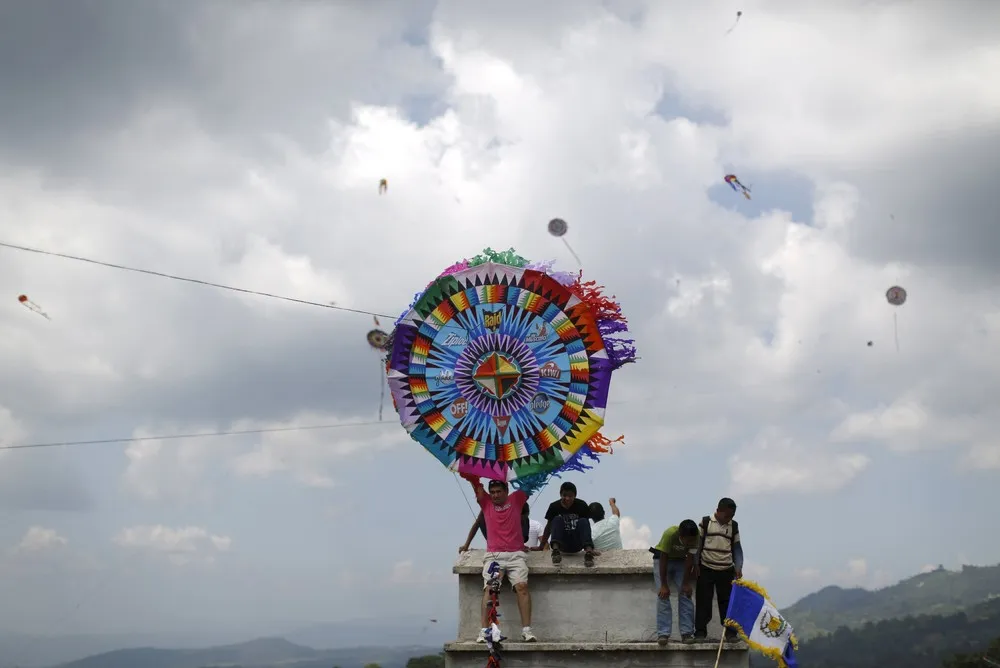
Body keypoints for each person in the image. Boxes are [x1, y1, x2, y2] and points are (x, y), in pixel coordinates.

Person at [463, 475, 537, 643]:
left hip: (516, 555)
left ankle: (527, 630)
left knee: (522, 587)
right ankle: (484, 631)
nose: (495, 495)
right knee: (490, 589)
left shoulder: (516, 499)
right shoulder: (486, 502)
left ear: (506, 491)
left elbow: (531, 481)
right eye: (492, 492)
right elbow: (475, 483)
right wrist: (470, 474)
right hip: (494, 556)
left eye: (498, 491)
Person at [693, 498, 743, 642]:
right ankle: (700, 632)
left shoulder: (733, 526)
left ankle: (731, 633)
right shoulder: (705, 522)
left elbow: (737, 549)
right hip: (706, 568)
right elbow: (697, 546)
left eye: (732, 516)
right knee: (703, 601)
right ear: (718, 511)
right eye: (727, 515)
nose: (729, 518)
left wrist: (738, 567)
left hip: (726, 570)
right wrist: (696, 565)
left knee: (728, 603)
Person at [650, 519, 700, 644]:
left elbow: (689, 559)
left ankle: (687, 633)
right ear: (681, 536)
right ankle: (663, 634)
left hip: (681, 561)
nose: (690, 543)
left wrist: (686, 583)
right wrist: (664, 585)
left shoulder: (696, 536)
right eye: (687, 541)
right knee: (663, 595)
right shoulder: (670, 534)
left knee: (686, 594)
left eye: (692, 541)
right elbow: (663, 559)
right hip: (662, 560)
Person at [538, 482, 596, 566]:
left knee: (583, 520)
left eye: (570, 496)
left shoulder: (581, 505)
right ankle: (555, 552)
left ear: (575, 495)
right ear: (560, 495)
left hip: (577, 542)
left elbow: (586, 527)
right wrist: (541, 546)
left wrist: (590, 547)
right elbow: (548, 527)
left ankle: (589, 554)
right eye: (564, 495)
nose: (567, 498)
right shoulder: (554, 506)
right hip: (562, 543)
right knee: (557, 519)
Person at [459, 503, 542, 552]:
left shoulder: (515, 503)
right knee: (481, 518)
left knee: (524, 519)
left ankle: (517, 544)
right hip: (496, 538)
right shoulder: (490, 504)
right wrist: (466, 545)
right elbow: (477, 523)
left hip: (514, 536)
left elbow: (525, 515)